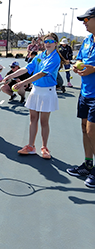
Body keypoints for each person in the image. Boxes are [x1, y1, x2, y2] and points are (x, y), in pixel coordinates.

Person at [2, 33, 64, 159]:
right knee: (33, 119)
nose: (48, 43)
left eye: (51, 41)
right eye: (46, 41)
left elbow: (41, 74)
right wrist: (10, 76)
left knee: (44, 121)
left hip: (47, 91)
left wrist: (22, 83)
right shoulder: (40, 56)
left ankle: (44, 148)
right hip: (36, 90)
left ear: (56, 43)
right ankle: (31, 146)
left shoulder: (55, 58)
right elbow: (27, 68)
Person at [67, 7, 95, 188]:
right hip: (85, 92)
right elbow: (81, 63)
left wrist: (82, 68)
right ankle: (88, 164)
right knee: (84, 129)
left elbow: (89, 67)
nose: (84, 23)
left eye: (86, 20)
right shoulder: (87, 41)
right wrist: (78, 68)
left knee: (93, 132)